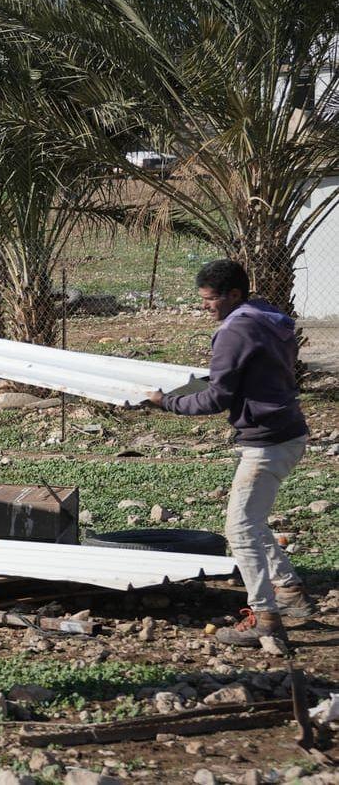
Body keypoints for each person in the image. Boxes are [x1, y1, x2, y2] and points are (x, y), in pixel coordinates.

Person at [148, 259, 315, 647]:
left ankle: (266, 618)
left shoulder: (235, 330)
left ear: (234, 294)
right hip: (288, 431)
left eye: (210, 299)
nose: (204, 306)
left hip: (266, 442)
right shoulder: (266, 316)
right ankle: (289, 590)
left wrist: (165, 401)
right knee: (252, 520)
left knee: (239, 529)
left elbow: (216, 398)